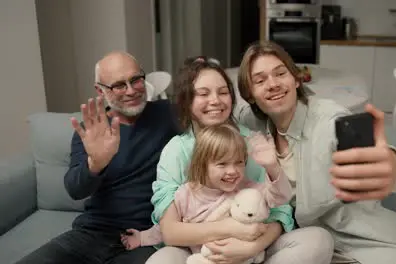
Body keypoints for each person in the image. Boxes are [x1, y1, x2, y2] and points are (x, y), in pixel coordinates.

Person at [234, 40, 396, 264]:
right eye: (260, 80)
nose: (273, 84)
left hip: (372, 249)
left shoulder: (328, 119)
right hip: (316, 251)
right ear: (250, 95)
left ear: (296, 80)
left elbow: (367, 153)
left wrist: (387, 163)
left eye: (281, 73)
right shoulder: (253, 123)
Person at [145, 59, 333, 264]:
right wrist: (230, 229)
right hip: (200, 253)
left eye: (223, 92)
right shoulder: (176, 150)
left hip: (254, 249)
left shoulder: (252, 141)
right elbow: (171, 232)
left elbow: (281, 211)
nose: (215, 100)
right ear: (186, 101)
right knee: (161, 260)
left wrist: (251, 247)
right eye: (203, 93)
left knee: (319, 240)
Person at [15, 51, 180, 264]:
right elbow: (75, 189)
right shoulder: (91, 131)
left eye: (136, 80)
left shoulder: (170, 114)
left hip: (146, 237)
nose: (131, 91)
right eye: (119, 85)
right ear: (100, 91)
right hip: (92, 233)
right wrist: (95, 164)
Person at [120, 124, 293, 259]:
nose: (233, 171)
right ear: (202, 166)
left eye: (239, 162)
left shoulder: (249, 189)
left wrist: (272, 167)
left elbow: (280, 197)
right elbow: (164, 229)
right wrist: (142, 238)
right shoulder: (186, 194)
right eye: (222, 164)